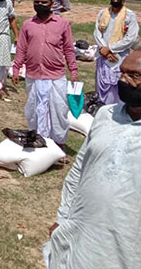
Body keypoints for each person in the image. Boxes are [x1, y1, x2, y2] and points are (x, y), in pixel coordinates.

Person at [43, 50, 141, 269]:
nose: (123, 80)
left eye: (133, 76)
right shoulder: (106, 115)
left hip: (127, 243)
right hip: (85, 231)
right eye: (122, 73)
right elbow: (79, 169)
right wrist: (63, 216)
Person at [12, 0, 77, 159]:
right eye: (37, 2)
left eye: (44, 2)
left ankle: (58, 143)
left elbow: (69, 49)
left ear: (52, 4)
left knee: (58, 110)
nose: (39, 5)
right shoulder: (27, 25)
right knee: (35, 110)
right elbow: (21, 48)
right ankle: (40, 140)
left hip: (55, 75)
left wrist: (74, 70)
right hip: (34, 75)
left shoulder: (62, 24)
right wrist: (16, 68)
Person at [93, 0, 139, 104]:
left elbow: (131, 38)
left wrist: (111, 49)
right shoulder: (103, 13)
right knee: (102, 86)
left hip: (120, 58)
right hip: (103, 56)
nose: (115, 1)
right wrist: (104, 49)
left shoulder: (130, 16)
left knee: (118, 87)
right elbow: (97, 33)